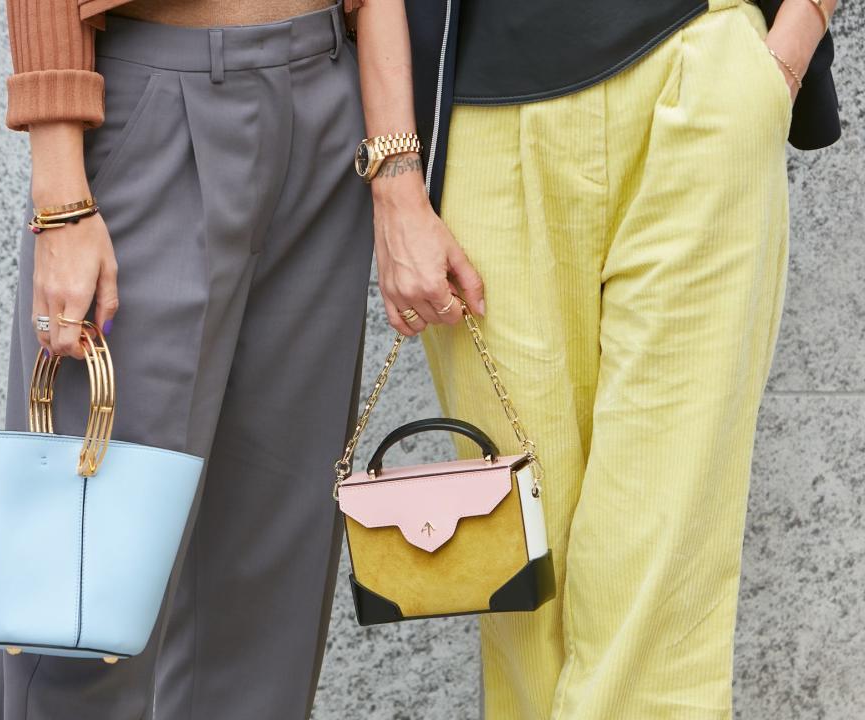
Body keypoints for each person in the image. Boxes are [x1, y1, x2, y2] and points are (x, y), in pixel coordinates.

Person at [351, 0, 839, 717]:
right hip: (480, 115)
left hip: (697, 80)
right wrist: (393, 177)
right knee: (521, 567)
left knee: (661, 551)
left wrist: (785, 54)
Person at [0, 1, 372, 718]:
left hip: (326, 101)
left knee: (266, 604)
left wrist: (395, 161)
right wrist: (61, 196)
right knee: (84, 603)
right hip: (153, 88)